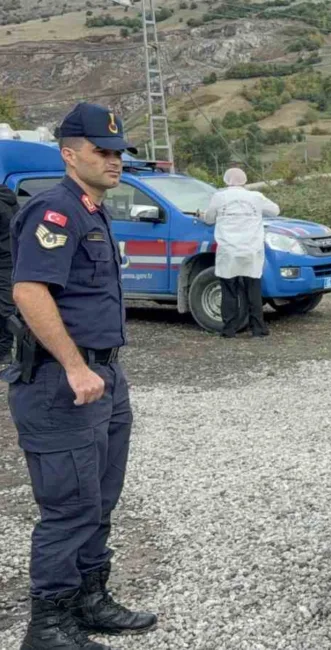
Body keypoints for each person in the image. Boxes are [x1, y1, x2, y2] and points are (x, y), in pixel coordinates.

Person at [3, 102, 157, 650]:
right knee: (68, 509)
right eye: (102, 151)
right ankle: (48, 626)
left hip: (103, 378)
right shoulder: (55, 210)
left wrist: (100, 372)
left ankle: (90, 598)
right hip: (61, 383)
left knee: (100, 498)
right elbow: (29, 291)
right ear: (70, 154)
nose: (115, 161)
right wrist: (73, 365)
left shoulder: (93, 209)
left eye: (119, 152)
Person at [202, 167, 279, 338]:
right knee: (253, 290)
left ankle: (229, 329)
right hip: (252, 250)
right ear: (244, 180)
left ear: (226, 180)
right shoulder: (255, 197)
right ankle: (258, 329)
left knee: (229, 290)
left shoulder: (219, 197)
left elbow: (209, 219)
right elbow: (275, 210)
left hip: (228, 251)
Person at [0, 182, 17, 364]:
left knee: (5, 310)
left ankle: (4, 354)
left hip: (3, 260)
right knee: (7, 307)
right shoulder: (8, 197)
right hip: (11, 259)